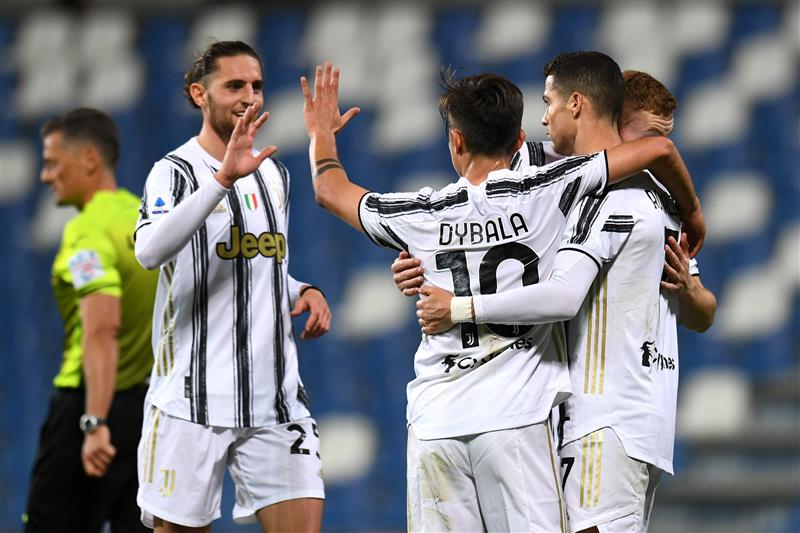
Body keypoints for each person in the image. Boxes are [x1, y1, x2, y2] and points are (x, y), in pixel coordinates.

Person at [300, 58, 703, 532]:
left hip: (436, 421)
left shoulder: (423, 214)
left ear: (455, 141)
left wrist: (321, 135)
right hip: (518, 419)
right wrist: (693, 213)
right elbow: (656, 150)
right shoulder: (551, 191)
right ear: (518, 143)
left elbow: (329, 190)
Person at [411, 60, 717, 533]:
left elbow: (701, 314)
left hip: (624, 418)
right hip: (603, 417)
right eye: (643, 133)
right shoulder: (558, 178)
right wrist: (422, 258)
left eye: (652, 138)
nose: (644, 149)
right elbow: (476, 207)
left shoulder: (648, 199)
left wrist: (692, 288)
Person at [134, 41, 338, 532]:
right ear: (199, 94)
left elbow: (259, 265)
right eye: (234, 85)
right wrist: (221, 179)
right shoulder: (174, 172)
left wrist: (301, 290)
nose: (249, 96)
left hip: (274, 400)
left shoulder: (274, 175)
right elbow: (149, 251)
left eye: (257, 85)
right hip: (191, 400)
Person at [24, 108, 156, 533]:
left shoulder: (86, 231)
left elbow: (102, 328)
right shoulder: (145, 219)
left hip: (89, 407)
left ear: (88, 159)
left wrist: (94, 422)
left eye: (52, 162)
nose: (45, 176)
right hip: (146, 412)